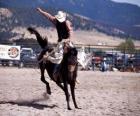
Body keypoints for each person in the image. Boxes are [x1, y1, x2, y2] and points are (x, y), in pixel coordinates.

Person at [37, 8, 74, 79]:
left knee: (73, 55)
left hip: (67, 41)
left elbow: (70, 31)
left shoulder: (66, 22)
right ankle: (56, 72)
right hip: (60, 42)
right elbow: (48, 16)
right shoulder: (55, 21)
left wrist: (68, 39)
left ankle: (73, 74)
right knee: (59, 57)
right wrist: (41, 11)